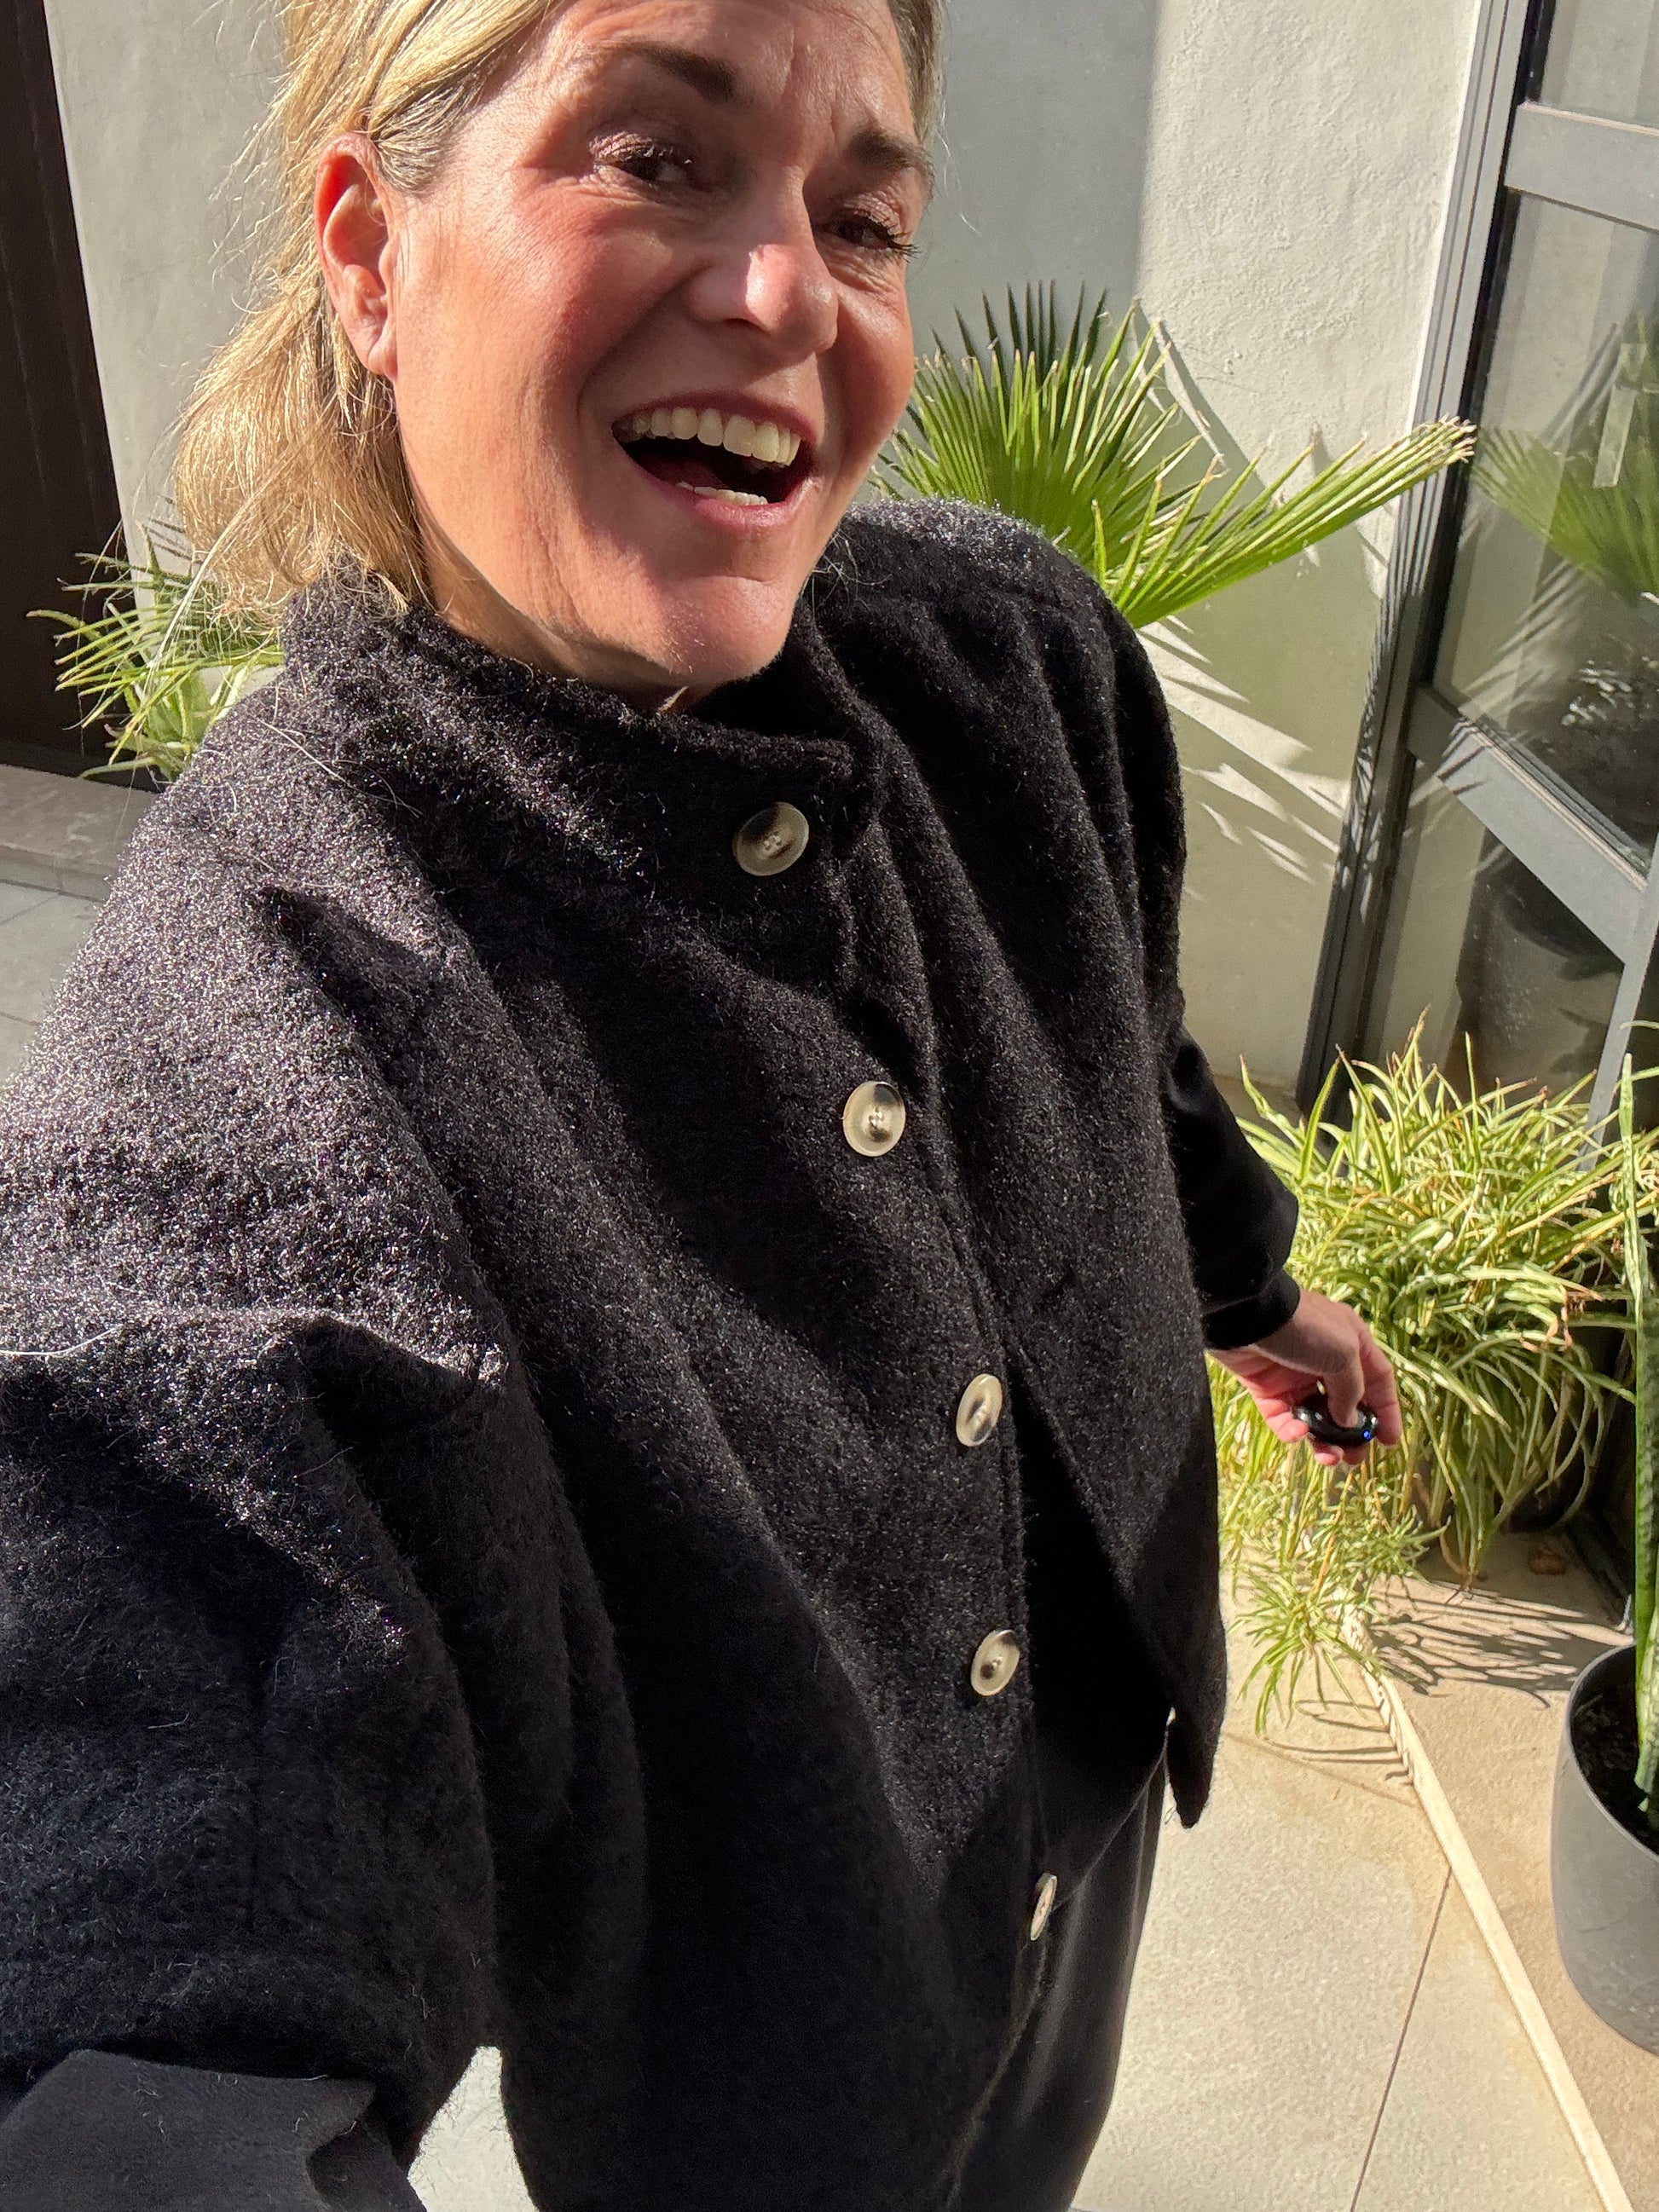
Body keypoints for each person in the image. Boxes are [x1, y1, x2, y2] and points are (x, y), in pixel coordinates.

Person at [0, 2, 1402, 2207]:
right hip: (778, 2092)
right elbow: (154, 1847)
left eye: (864, 218)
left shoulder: (1015, 653)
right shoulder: (255, 1043)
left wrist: (1253, 1294)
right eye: (654, 156)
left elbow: (1122, 1058)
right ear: (367, 247)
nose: (783, 294)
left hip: (1101, 1776)